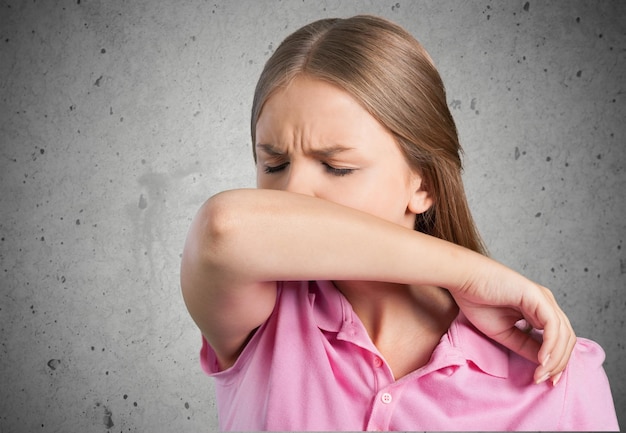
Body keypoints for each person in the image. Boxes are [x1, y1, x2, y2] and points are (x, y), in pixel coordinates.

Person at [180, 15, 618, 431]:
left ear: (423, 185)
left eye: (336, 167)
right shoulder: (261, 314)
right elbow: (224, 229)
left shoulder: (558, 377)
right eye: (274, 164)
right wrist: (470, 271)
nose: (292, 195)